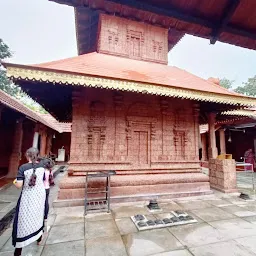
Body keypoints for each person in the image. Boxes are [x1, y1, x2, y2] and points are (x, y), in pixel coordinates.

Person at [12, 147, 46, 256]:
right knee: (38, 215)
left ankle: (19, 250)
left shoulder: (23, 167)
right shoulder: (42, 166)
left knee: (22, 221)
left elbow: (19, 185)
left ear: (27, 155)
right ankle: (39, 237)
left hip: (28, 197)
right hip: (40, 195)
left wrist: (14, 181)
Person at [39, 157, 54, 228]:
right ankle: (45, 216)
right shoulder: (50, 171)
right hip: (47, 188)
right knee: (46, 202)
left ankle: (40, 215)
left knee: (41, 202)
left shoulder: (42, 171)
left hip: (42, 189)